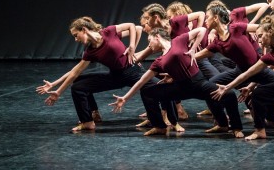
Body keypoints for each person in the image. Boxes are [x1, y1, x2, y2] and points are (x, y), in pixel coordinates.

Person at [36, 16, 180, 132]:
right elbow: (75, 72)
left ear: (84, 29)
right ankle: (88, 121)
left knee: (159, 88)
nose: (75, 39)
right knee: (78, 86)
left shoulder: (108, 32)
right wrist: (58, 91)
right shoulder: (90, 51)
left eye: (76, 35)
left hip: (133, 71)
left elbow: (132, 26)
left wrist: (131, 46)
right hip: (115, 76)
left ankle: (165, 123)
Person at [110, 27, 244, 138]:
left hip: (198, 83)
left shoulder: (178, 41)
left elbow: (202, 30)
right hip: (181, 87)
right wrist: (125, 98)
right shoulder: (158, 61)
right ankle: (159, 126)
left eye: (150, 41)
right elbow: (141, 81)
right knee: (147, 91)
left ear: (157, 37)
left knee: (229, 94)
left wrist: (193, 48)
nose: (149, 45)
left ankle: (230, 126)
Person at [195, 5, 274, 128]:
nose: (205, 20)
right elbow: (196, 57)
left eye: (207, 17)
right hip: (240, 71)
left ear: (216, 18)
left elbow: (262, 28)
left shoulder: (236, 28)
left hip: (258, 70)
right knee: (210, 86)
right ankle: (222, 123)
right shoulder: (217, 43)